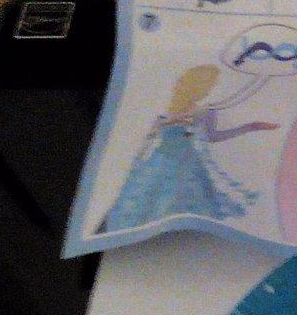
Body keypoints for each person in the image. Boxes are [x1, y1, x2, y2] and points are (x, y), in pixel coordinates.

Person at [101, 65, 275, 232]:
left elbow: (213, 137)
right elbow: (147, 136)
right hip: (160, 162)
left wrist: (249, 127)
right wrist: (137, 160)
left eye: (213, 84)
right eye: (209, 84)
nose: (211, 88)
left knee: (186, 205)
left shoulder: (206, 111)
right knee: (150, 205)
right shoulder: (166, 107)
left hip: (189, 165)